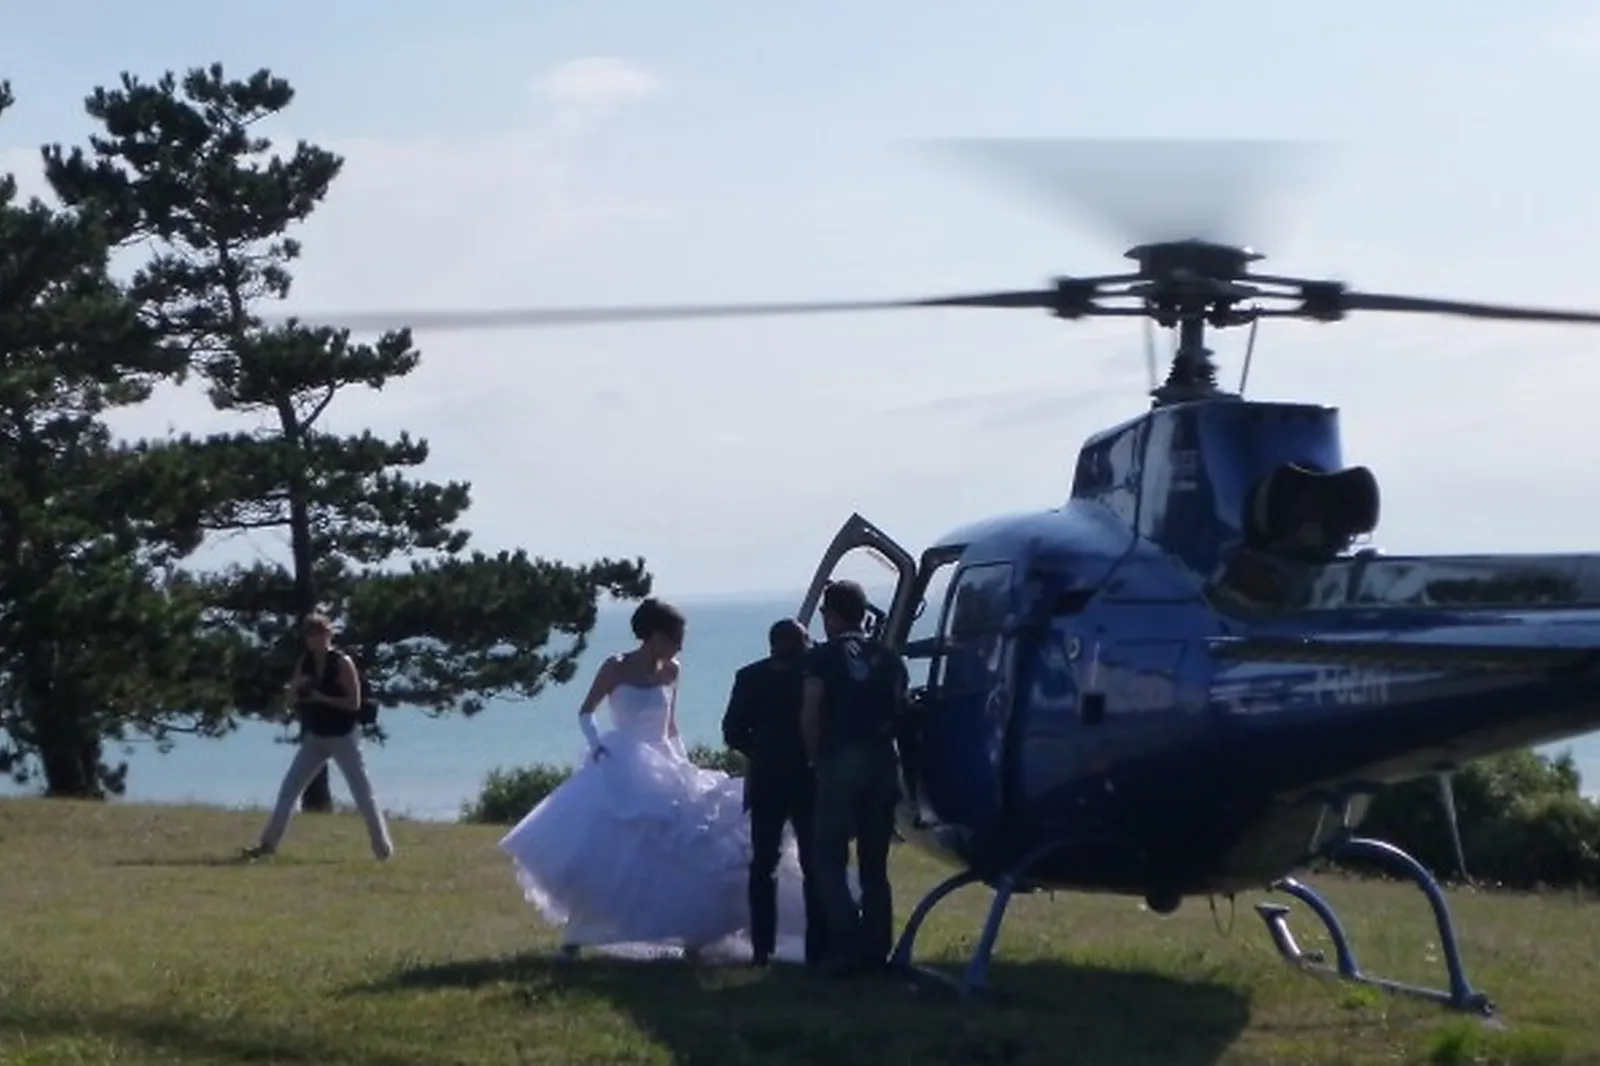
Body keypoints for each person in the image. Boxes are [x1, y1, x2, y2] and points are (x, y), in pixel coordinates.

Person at [498, 597, 813, 962]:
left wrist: (681, 760)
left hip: (663, 760)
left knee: (682, 848)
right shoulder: (616, 667)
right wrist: (597, 746)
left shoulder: (672, 670)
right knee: (613, 854)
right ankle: (579, 933)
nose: (680, 645)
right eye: (675, 637)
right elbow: (587, 712)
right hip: (623, 760)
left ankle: (690, 931)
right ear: (654, 636)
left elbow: (671, 723)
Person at [802, 579, 909, 977]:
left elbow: (811, 713)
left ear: (830, 615)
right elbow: (900, 708)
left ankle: (846, 940)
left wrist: (816, 759)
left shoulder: (823, 657)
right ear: (864, 615)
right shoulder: (889, 656)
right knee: (874, 863)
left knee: (827, 857)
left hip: (840, 759)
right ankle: (877, 947)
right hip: (883, 760)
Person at [246, 613, 393, 861]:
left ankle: (382, 850)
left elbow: (353, 703)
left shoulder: (342, 662)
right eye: (312, 635)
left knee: (362, 793)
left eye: (321, 633)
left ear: (329, 635)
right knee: (289, 789)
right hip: (316, 735)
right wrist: (295, 687)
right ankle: (267, 845)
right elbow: (291, 699)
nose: (317, 639)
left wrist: (321, 698)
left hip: (343, 736)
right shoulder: (305, 662)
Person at [722, 617, 826, 968]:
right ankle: (817, 947)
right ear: (804, 641)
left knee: (763, 864)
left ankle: (761, 948)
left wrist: (761, 750)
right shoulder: (813, 675)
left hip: (766, 775)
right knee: (815, 864)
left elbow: (732, 730)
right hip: (808, 777)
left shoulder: (750, 676)